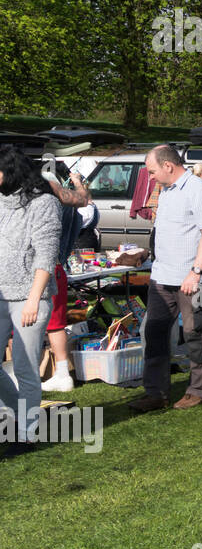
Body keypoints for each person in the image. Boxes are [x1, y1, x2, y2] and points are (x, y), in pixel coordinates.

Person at [127, 145, 202, 412]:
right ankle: (156, 392)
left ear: (168, 166)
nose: (150, 176)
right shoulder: (166, 191)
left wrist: (196, 272)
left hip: (192, 280)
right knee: (153, 333)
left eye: (152, 171)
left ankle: (197, 389)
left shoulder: (199, 190)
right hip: (161, 278)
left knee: (195, 333)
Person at [0, 146, 60, 452]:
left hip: (28, 296)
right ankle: (19, 413)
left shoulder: (44, 202)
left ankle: (27, 432)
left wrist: (34, 300)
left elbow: (46, 256)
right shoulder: (1, 201)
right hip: (0, 295)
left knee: (25, 368)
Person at [38, 167, 91, 395]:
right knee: (55, 324)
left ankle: (24, 374)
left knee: (19, 326)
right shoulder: (69, 205)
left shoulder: (43, 205)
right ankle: (62, 373)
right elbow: (85, 200)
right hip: (59, 267)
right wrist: (77, 181)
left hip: (40, 268)